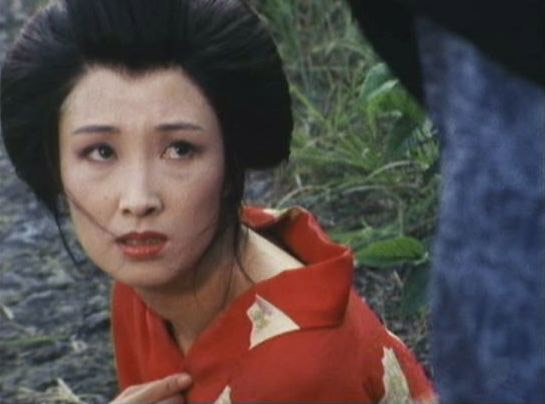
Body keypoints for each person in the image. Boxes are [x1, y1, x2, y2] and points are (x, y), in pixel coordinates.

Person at [1, 0, 436, 402]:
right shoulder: (146, 273)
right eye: (101, 152)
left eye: (180, 149)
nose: (138, 200)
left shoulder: (295, 372)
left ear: (231, 164)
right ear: (55, 165)